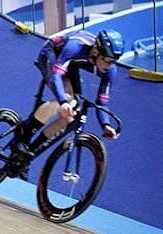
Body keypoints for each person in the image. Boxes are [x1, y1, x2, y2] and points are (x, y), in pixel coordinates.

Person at [12, 29, 125, 180]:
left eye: (114, 60)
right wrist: (63, 102)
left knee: (71, 116)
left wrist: (105, 125)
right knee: (66, 100)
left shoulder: (110, 71)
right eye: (108, 59)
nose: (110, 65)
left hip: (71, 64)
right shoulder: (76, 46)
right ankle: (23, 136)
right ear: (96, 50)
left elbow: (102, 102)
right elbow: (56, 75)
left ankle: (26, 156)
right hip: (52, 52)